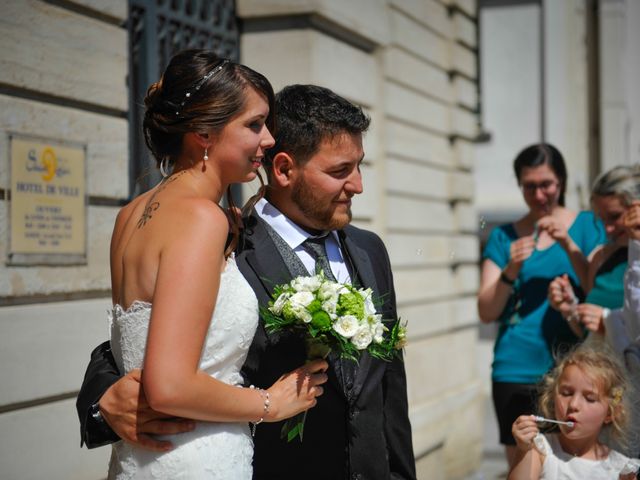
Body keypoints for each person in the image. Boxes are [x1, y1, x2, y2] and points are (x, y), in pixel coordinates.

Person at [77, 84, 417, 480]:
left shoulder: (369, 249)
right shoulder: (228, 243)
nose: (358, 185)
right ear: (284, 169)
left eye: (359, 166)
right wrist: (101, 405)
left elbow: (390, 392)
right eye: (340, 171)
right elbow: (134, 336)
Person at [91, 50, 329, 479]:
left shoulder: (130, 215)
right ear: (203, 132)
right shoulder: (201, 219)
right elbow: (169, 385)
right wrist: (271, 404)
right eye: (254, 125)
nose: (270, 139)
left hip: (138, 459)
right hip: (197, 458)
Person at [477, 143, 605, 468]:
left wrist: (568, 244)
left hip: (573, 372)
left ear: (560, 182)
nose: (538, 194)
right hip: (514, 369)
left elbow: (598, 290)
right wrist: (511, 271)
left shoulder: (588, 226)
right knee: (523, 468)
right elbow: (487, 311)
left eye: (545, 184)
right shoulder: (504, 237)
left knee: (575, 468)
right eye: (529, 186)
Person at [509, 345, 640, 479]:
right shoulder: (541, 449)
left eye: (589, 398)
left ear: (610, 413)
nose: (573, 404)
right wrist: (523, 450)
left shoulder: (620, 468)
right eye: (566, 393)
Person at [549, 165, 640, 337]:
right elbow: (588, 336)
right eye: (601, 220)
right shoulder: (602, 257)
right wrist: (570, 309)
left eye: (614, 216)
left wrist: (611, 322)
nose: (608, 229)